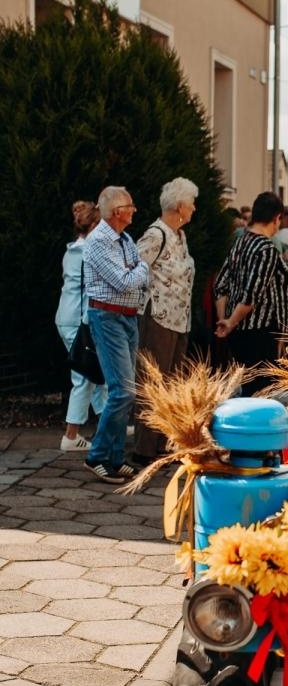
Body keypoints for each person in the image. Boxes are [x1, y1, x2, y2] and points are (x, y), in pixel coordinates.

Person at [82, 186, 150, 483]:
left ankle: (115, 457)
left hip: (127, 317)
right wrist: (142, 268)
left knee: (126, 391)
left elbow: (132, 277)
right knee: (122, 391)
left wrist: (136, 271)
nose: (134, 209)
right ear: (116, 211)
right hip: (107, 317)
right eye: (130, 205)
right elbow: (124, 280)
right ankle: (97, 456)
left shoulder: (125, 239)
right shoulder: (99, 241)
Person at [132, 177, 198, 464]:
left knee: (171, 383)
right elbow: (132, 269)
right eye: (192, 203)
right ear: (180, 206)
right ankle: (144, 449)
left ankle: (161, 442)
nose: (195, 209)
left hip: (179, 320)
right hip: (157, 317)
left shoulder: (180, 236)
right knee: (152, 382)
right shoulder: (156, 235)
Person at [213, 191, 288, 395]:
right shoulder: (266, 249)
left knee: (249, 388)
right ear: (276, 219)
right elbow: (252, 295)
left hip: (239, 332)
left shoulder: (240, 242)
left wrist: (225, 319)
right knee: (261, 392)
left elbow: (220, 285)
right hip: (260, 333)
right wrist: (230, 322)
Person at [54, 200, 107, 451]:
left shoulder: (72, 250)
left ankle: (107, 419)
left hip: (67, 316)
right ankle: (71, 436)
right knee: (85, 376)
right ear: (94, 224)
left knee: (93, 373)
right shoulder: (89, 253)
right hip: (78, 319)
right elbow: (90, 292)